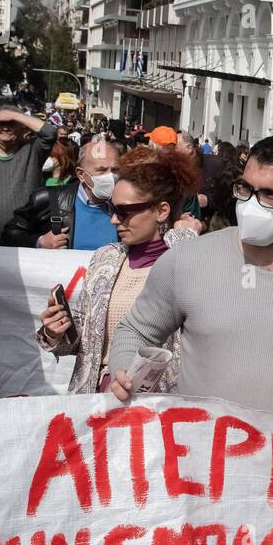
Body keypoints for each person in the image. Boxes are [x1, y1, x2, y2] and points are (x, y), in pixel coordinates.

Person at [105, 133, 273, 423]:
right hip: (198, 454)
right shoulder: (186, 260)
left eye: (270, 196)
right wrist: (124, 370)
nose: (251, 203)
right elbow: (137, 331)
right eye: (246, 188)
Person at [38, 145, 202, 394]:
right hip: (96, 401)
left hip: (159, 408)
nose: (114, 219)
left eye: (124, 211)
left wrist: (186, 235)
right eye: (113, 209)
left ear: (161, 211)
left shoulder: (190, 263)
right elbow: (84, 344)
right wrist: (55, 332)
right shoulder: (105, 259)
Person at [3, 139, 121, 250]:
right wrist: (40, 241)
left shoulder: (128, 204)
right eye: (101, 170)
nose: (110, 176)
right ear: (81, 174)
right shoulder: (50, 199)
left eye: (115, 169)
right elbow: (11, 233)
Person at [0, 105, 58, 245]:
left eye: (11, 123)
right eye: (2, 123)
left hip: (22, 238)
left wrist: (15, 115)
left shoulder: (33, 150)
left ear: (22, 127)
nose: (6, 128)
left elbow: (50, 133)